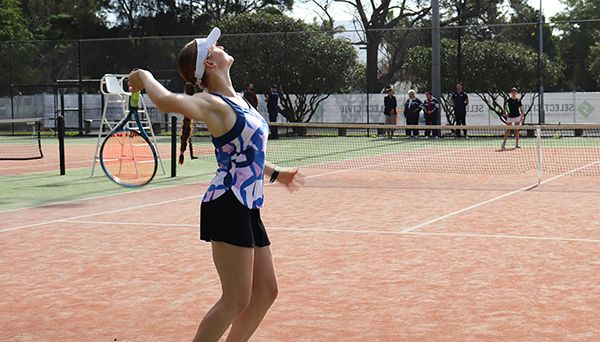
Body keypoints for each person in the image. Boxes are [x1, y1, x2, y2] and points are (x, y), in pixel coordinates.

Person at [126, 27, 304, 342]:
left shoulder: (240, 103)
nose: (219, 46)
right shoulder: (214, 104)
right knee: (236, 298)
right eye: (214, 47)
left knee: (265, 292)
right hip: (227, 202)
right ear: (209, 63)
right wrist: (143, 75)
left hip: (246, 204)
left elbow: (245, 155)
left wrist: (277, 174)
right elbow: (166, 101)